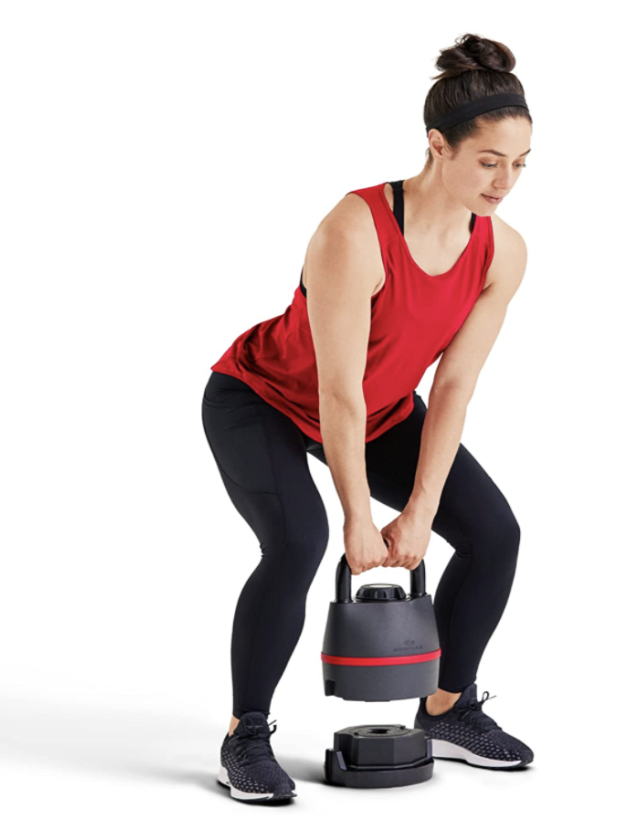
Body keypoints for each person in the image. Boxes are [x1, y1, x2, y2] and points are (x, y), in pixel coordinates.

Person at [203, 33, 534, 803]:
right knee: (298, 543)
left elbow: (452, 387)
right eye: (489, 161)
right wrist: (360, 515)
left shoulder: (503, 252)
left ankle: (449, 708)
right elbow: (337, 389)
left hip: (383, 409)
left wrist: (418, 512)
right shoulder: (355, 229)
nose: (506, 181)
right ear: (437, 146)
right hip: (264, 398)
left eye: (520, 165)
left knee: (493, 534)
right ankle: (244, 735)